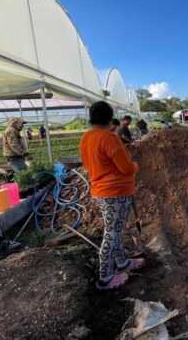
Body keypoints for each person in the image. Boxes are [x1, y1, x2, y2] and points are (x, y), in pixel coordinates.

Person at [79, 101, 145, 290]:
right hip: (115, 193)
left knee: (114, 230)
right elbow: (125, 168)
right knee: (112, 234)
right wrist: (135, 166)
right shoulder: (109, 138)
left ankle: (123, 262)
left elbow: (90, 165)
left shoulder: (86, 138)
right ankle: (105, 277)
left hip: (101, 191)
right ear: (110, 119)